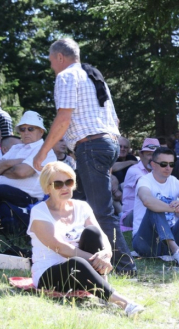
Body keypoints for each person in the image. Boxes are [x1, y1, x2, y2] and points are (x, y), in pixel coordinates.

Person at [32, 38, 135, 274]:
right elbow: (115, 121)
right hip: (106, 145)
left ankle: (123, 266)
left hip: (92, 147)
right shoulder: (94, 77)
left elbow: (63, 118)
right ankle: (68, 251)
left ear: (60, 57)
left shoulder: (66, 76)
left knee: (101, 211)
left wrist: (43, 152)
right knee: (70, 197)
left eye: (51, 61)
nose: (51, 67)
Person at [27, 162, 145, 316]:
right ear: (48, 188)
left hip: (82, 264)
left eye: (68, 182)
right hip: (49, 274)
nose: (65, 188)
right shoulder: (39, 211)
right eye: (58, 184)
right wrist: (94, 260)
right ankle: (126, 304)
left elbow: (101, 234)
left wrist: (106, 254)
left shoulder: (81, 206)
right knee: (78, 262)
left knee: (92, 232)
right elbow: (60, 248)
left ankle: (102, 285)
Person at [0, 111, 57, 231]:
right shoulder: (16, 147)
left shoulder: (44, 150)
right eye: (22, 129)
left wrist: (5, 167)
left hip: (27, 197)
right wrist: (17, 162)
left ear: (41, 131)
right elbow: (14, 169)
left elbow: (21, 172)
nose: (26, 132)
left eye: (30, 129)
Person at [120, 138, 159, 231]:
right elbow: (149, 190)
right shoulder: (134, 170)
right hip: (131, 216)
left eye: (155, 155)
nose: (152, 158)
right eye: (149, 154)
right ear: (141, 155)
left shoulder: (158, 172)